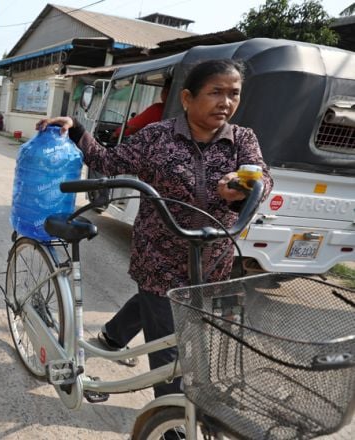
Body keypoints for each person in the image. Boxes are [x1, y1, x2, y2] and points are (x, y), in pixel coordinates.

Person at [36, 59, 273, 398]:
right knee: (169, 346)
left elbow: (263, 177)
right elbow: (108, 162)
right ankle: (171, 417)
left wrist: (243, 188)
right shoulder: (156, 137)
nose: (225, 102)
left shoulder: (242, 140)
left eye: (233, 94)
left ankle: (113, 336)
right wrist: (75, 129)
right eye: (215, 92)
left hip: (213, 257)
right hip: (159, 255)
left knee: (162, 307)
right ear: (188, 98)